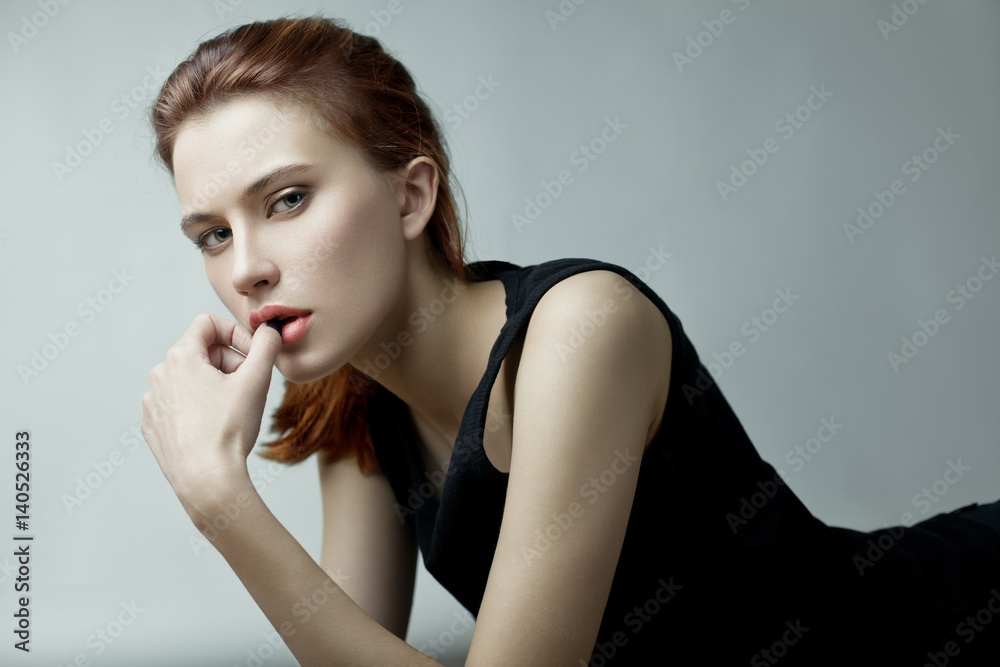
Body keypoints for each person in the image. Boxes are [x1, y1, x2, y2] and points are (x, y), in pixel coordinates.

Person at [140, 15, 1000, 666]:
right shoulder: (355, 398)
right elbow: (349, 648)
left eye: (288, 199)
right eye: (212, 234)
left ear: (411, 196)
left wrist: (221, 502)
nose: (246, 268)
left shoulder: (582, 328)